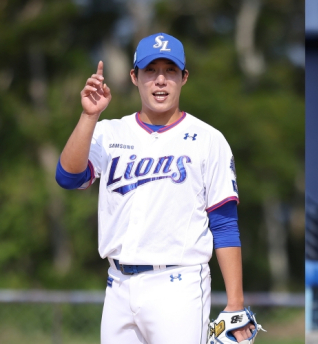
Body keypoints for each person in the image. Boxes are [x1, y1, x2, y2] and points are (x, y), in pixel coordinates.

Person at [56, 33, 258, 344]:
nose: (160, 80)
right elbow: (69, 178)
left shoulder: (208, 139)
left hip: (178, 285)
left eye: (170, 71)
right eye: (151, 70)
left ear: (183, 77)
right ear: (134, 77)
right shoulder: (110, 132)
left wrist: (235, 303)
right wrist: (89, 116)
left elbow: (225, 224)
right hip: (118, 284)